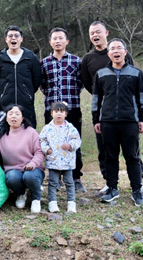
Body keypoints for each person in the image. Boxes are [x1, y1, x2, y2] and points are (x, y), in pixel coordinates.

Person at [81, 21, 143, 197]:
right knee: (107, 154)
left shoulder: (134, 70)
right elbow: (92, 91)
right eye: (92, 33)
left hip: (129, 119)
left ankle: (138, 186)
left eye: (98, 32)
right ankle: (111, 186)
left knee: (132, 154)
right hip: (107, 118)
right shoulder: (93, 64)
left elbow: (141, 94)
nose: (95, 35)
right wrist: (100, 113)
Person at [39, 27, 86, 193]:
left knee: (74, 142)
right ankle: (55, 179)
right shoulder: (44, 63)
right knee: (52, 143)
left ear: (66, 41)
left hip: (72, 109)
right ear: (50, 42)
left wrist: (68, 100)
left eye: (61, 38)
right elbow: (43, 85)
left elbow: (80, 83)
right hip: (51, 110)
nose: (58, 41)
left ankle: (76, 178)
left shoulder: (76, 61)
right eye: (55, 39)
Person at [0, 104, 45, 213]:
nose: (13, 116)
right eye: (10, 114)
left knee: (29, 176)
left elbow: (39, 152)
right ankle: (21, 194)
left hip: (33, 169)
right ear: (6, 118)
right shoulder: (2, 134)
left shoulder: (31, 132)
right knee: (11, 178)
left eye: (17, 114)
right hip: (13, 170)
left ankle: (36, 198)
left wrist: (33, 163)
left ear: (22, 117)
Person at [0, 25, 41, 127]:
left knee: (27, 130)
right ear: (6, 39)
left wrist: (27, 91)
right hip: (5, 103)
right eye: (10, 36)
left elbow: (37, 80)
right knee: (4, 131)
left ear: (21, 39)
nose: (13, 38)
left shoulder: (31, 58)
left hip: (26, 102)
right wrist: (4, 92)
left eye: (16, 36)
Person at [39, 102, 82, 213]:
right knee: (53, 183)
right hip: (53, 161)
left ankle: (71, 203)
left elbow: (77, 140)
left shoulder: (70, 128)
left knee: (69, 182)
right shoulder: (47, 128)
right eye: (56, 111)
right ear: (51, 113)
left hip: (67, 161)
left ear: (66, 114)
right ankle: (52, 203)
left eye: (62, 112)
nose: (59, 114)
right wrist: (46, 149)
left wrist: (70, 145)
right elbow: (42, 140)